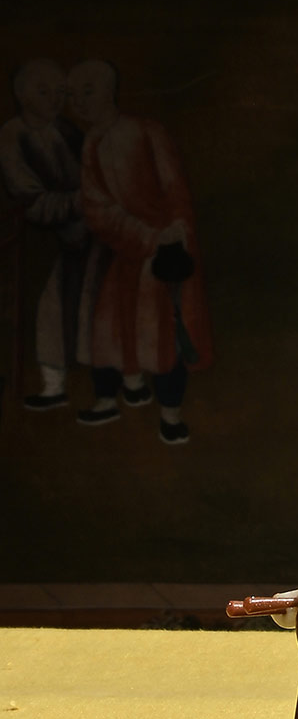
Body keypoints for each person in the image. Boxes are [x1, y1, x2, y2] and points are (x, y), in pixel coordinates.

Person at [69, 60, 211, 444]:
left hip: (165, 252)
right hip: (122, 251)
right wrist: (141, 235)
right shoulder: (92, 143)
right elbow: (97, 207)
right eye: (74, 95)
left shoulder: (148, 131)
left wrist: (173, 232)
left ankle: (170, 415)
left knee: (165, 335)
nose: (80, 102)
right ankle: (108, 399)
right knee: (109, 329)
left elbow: (175, 186)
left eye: (88, 91)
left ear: (110, 91)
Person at [0, 58, 90, 411]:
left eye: (60, 91)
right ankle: (52, 386)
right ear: (22, 94)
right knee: (48, 309)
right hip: (36, 240)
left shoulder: (66, 130)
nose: (55, 99)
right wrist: (81, 202)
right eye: (43, 91)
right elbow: (30, 201)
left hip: (80, 232)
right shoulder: (12, 135)